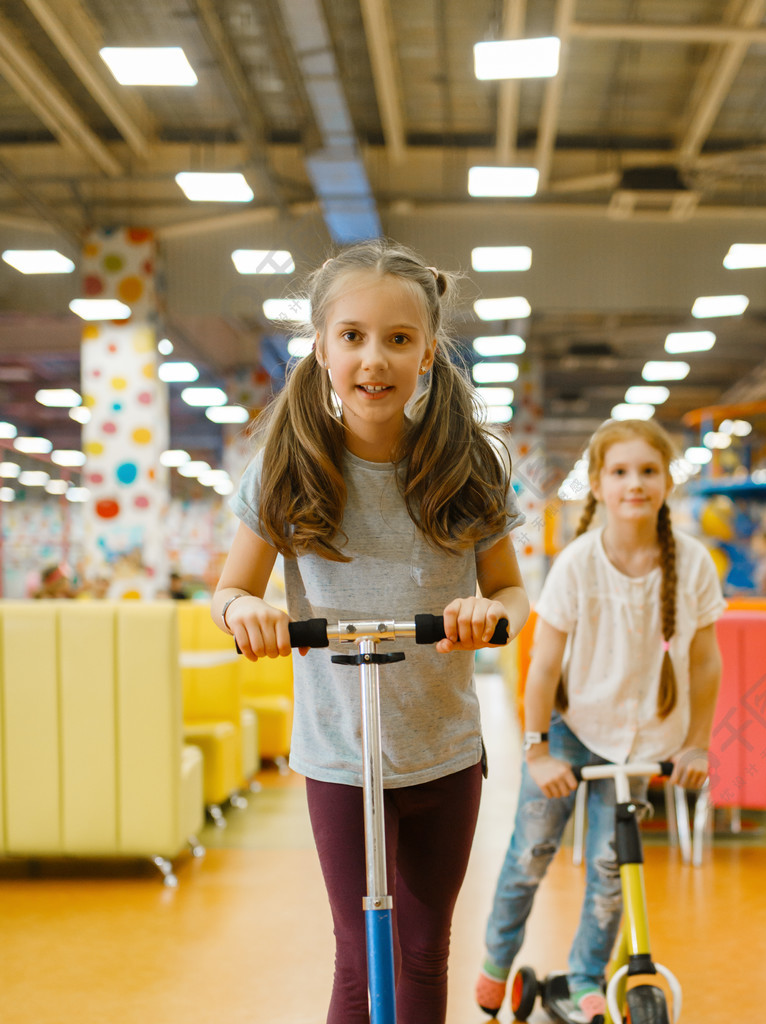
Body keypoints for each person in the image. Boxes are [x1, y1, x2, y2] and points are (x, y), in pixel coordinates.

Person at [211, 238, 530, 1024]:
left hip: (444, 751)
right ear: (321, 348)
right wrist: (245, 611)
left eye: (398, 338)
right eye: (351, 335)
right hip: (341, 757)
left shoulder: (467, 466)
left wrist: (490, 617)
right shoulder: (288, 468)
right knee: (359, 958)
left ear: (427, 353)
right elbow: (231, 589)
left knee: (424, 951)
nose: (373, 359)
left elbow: (514, 593)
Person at [476, 418, 725, 1023]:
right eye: (619, 472)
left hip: (639, 742)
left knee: (614, 872)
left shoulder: (691, 564)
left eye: (647, 471)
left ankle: (586, 975)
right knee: (530, 851)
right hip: (568, 729)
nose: (634, 483)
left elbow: (706, 662)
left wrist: (695, 745)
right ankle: (495, 961)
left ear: (667, 480)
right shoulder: (579, 563)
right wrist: (537, 751)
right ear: (597, 484)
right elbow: (541, 666)